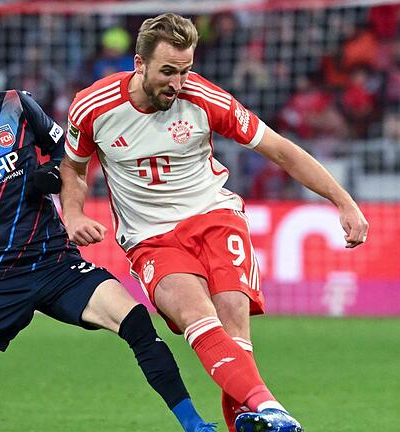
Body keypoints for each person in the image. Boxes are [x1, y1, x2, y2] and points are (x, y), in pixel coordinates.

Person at [60, 13, 369, 432]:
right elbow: (74, 168)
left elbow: (279, 150)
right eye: (167, 71)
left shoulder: (205, 99)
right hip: (150, 238)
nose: (177, 83)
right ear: (139, 63)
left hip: (215, 220)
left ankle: (256, 415)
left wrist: (343, 201)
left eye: (185, 71)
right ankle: (272, 408)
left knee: (234, 330)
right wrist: (74, 213)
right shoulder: (94, 106)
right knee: (195, 317)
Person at [0, 32, 216, 432]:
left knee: (135, 321)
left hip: (54, 261)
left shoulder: (14, 106)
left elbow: (69, 154)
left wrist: (52, 179)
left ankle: (194, 424)